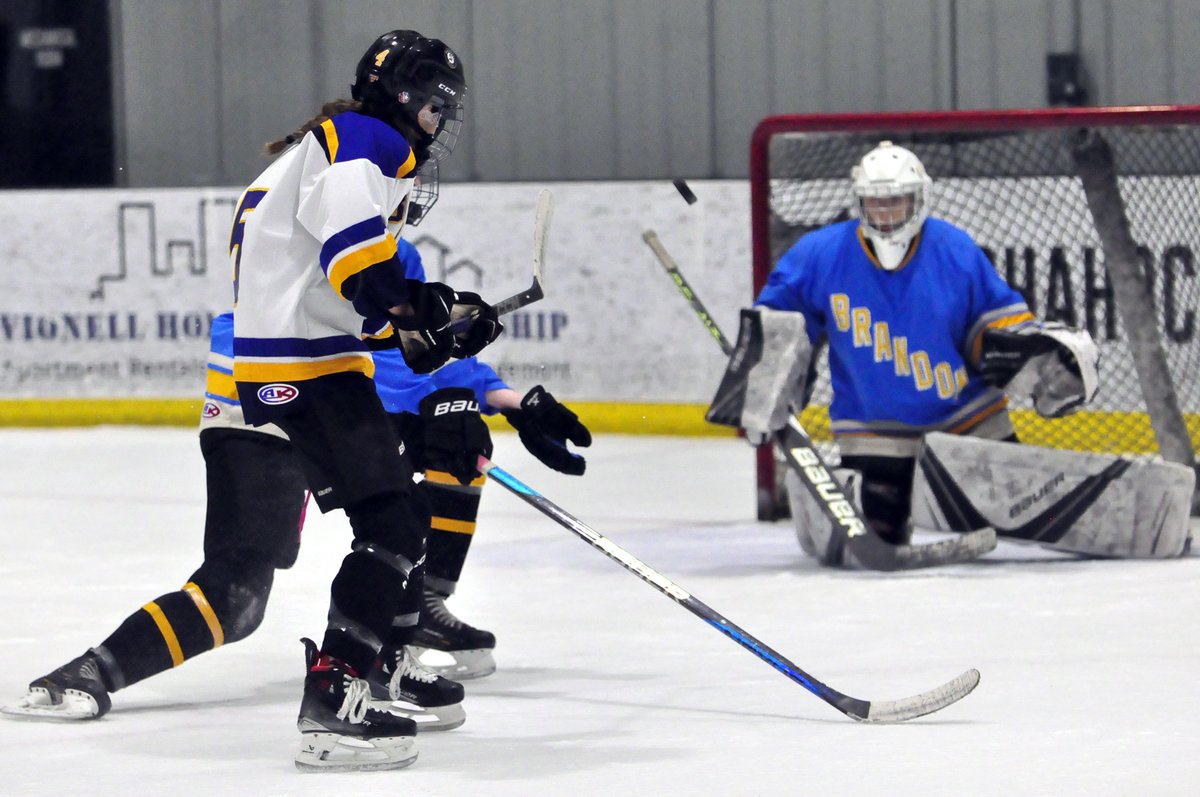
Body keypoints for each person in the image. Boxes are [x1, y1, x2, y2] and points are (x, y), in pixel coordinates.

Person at [4, 29, 505, 773]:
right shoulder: (364, 144)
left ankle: (375, 671)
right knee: (266, 577)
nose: (440, 121)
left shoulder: (329, 159)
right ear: (401, 96)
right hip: (292, 371)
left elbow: (347, 298)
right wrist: (413, 311)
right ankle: (330, 697)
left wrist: (429, 322)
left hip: (292, 364)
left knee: (392, 516)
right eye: (436, 103)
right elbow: (358, 269)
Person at [708, 141, 1103, 565]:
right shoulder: (819, 254)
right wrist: (760, 385)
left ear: (920, 199)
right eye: (875, 202)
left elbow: (997, 329)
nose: (885, 213)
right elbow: (780, 321)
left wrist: (1038, 360)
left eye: (896, 201)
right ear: (858, 202)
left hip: (967, 425)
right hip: (873, 433)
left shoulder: (954, 249)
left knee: (1028, 508)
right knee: (856, 542)